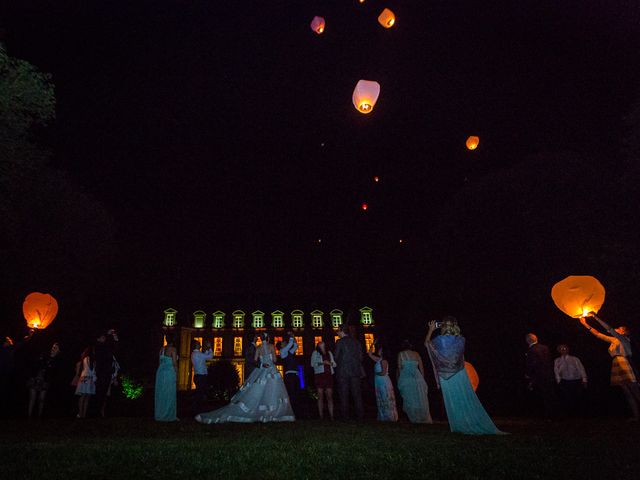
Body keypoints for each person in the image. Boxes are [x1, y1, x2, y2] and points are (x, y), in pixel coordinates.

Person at [425, 317, 505, 434]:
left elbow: (427, 344)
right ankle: (467, 421)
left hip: (446, 375)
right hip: (459, 373)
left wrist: (431, 330)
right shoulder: (461, 339)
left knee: (453, 400)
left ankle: (459, 424)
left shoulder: (439, 340)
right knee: (463, 398)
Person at [195, 332, 294, 423]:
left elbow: (255, 360)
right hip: (271, 369)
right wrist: (270, 360)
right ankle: (271, 412)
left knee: (258, 390)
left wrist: (262, 363)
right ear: (268, 338)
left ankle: (259, 410)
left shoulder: (258, 348)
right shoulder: (271, 346)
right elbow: (275, 360)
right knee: (272, 390)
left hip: (261, 370)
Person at [580, 314, 640, 421]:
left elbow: (608, 328)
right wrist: (585, 323)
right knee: (627, 393)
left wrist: (595, 316)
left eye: (619, 328)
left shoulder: (623, 339)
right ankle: (636, 416)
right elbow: (598, 334)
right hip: (616, 364)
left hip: (625, 363)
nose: (617, 328)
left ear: (623, 332)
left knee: (635, 391)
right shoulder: (614, 340)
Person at [396, 340, 432, 423]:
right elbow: (421, 368)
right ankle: (419, 417)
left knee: (409, 398)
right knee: (419, 398)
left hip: (406, 377)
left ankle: (413, 417)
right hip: (417, 377)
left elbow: (399, 367)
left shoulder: (401, 354)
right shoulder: (416, 354)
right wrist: (422, 379)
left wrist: (400, 380)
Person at [334, 323, 364, 420]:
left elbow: (335, 357)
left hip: (343, 372)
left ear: (342, 331)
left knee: (344, 394)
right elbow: (361, 357)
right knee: (357, 394)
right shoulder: (356, 342)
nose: (337, 332)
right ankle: (360, 416)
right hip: (355, 371)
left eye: (338, 330)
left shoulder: (339, 342)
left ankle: (345, 416)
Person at [525, 333, 558, 418]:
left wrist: (528, 373)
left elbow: (533, 363)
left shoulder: (531, 350)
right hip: (548, 375)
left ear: (528, 340)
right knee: (550, 395)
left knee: (541, 396)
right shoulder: (545, 348)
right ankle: (553, 414)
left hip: (539, 376)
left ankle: (544, 415)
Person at [27, 342, 62, 418]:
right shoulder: (45, 355)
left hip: (45, 380)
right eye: (53, 347)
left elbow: (54, 372)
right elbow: (36, 364)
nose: (53, 349)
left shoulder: (57, 360)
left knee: (42, 399)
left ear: (58, 351)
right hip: (35, 377)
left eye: (55, 348)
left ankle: (40, 416)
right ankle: (29, 417)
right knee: (32, 398)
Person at [367, 343, 398, 421]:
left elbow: (383, 372)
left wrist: (376, 373)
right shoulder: (379, 359)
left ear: (383, 351)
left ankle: (389, 416)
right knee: (381, 397)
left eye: (380, 349)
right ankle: (383, 415)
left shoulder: (384, 361)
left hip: (383, 381)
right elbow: (370, 354)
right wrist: (372, 344)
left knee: (385, 397)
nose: (378, 350)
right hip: (378, 381)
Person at [554, 344, 587, 416]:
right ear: (559, 351)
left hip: (576, 380)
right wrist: (559, 381)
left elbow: (581, 369)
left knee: (577, 397)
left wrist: (584, 380)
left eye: (564, 348)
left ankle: (578, 413)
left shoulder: (575, 359)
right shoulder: (557, 360)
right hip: (565, 381)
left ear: (568, 349)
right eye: (561, 349)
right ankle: (569, 414)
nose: (563, 350)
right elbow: (556, 371)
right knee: (566, 398)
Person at [95, 329, 119, 418]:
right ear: (98, 339)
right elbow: (106, 347)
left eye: (104, 337)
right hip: (101, 373)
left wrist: (115, 339)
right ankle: (97, 412)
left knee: (104, 393)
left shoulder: (106, 347)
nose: (104, 338)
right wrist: (108, 335)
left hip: (107, 372)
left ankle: (101, 412)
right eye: (102, 337)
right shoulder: (98, 346)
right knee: (100, 392)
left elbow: (114, 349)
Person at [310, 339, 336, 420]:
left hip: (328, 375)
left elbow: (334, 364)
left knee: (329, 396)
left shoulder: (329, 352)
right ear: (318, 345)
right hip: (319, 375)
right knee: (320, 396)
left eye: (323, 343)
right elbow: (312, 364)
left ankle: (331, 416)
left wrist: (330, 363)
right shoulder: (315, 353)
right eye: (320, 343)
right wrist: (322, 363)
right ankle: (321, 416)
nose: (321, 343)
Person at [154, 334, 178, 422]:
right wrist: (177, 374)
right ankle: (168, 415)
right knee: (169, 393)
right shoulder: (173, 349)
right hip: (169, 373)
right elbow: (175, 364)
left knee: (161, 393)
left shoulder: (162, 349)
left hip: (160, 373)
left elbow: (159, 362)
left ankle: (160, 414)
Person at [278, 332, 299, 415]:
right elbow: (290, 344)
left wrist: (293, 338)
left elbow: (295, 346)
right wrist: (291, 336)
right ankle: (292, 411)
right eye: (283, 342)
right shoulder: (282, 351)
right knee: (292, 393)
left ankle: (295, 411)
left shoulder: (288, 351)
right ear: (281, 346)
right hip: (289, 375)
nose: (284, 342)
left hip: (295, 373)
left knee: (295, 392)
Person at [191, 339, 213, 415]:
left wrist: (206, 350)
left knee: (199, 393)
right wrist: (210, 347)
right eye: (198, 344)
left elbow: (204, 356)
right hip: (201, 376)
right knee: (200, 393)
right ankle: (198, 410)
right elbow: (210, 356)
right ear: (196, 346)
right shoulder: (198, 354)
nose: (200, 344)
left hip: (198, 375)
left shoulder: (195, 354)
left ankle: (197, 409)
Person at [75, 347, 96, 419]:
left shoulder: (89, 359)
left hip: (87, 378)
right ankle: (81, 414)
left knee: (85, 397)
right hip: (86, 378)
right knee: (84, 396)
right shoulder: (87, 359)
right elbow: (90, 370)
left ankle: (82, 414)